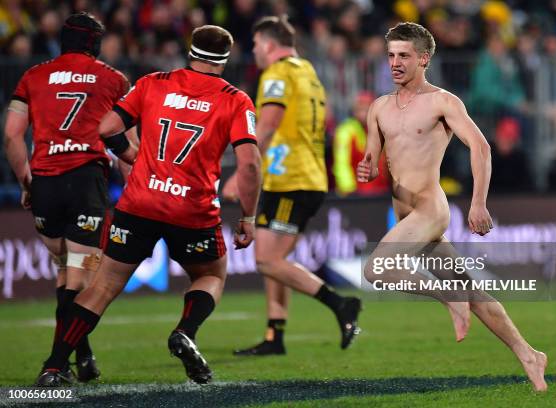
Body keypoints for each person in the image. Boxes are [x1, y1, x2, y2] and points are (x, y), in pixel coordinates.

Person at [35, 24, 262, 386]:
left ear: (191, 51)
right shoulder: (235, 99)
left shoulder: (153, 82)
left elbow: (107, 126)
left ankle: (53, 367)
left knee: (103, 285)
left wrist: (133, 155)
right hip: (191, 208)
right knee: (210, 275)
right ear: (225, 58)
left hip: (139, 202)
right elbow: (249, 163)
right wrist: (248, 217)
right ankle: (185, 331)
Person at [357, 22, 548, 392]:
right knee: (472, 290)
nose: (395, 63)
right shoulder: (378, 107)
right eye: (391, 55)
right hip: (404, 212)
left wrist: (478, 203)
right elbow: (372, 160)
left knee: (377, 269)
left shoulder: (443, 101)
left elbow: (481, 147)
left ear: (424, 59)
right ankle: (529, 354)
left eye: (404, 56)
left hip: (430, 208)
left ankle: (449, 298)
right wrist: (366, 168)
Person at [223, 15, 362, 356]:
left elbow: (267, 125)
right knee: (276, 259)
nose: (254, 50)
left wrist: (241, 171)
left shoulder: (277, 73)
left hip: (290, 181)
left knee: (267, 260)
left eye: (256, 44)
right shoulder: (309, 72)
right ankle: (275, 335)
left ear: (269, 45)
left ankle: (340, 304)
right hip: (307, 176)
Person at [4, 12, 130, 384]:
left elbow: (12, 136)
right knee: (80, 281)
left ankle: (84, 356)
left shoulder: (33, 76)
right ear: (95, 42)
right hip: (85, 180)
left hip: (44, 181)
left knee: (64, 272)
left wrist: (27, 182)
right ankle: (54, 366)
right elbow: (129, 145)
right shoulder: (113, 79)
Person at [333, 91, 389, 196]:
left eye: (367, 108)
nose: (363, 112)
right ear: (354, 111)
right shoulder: (345, 131)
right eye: (360, 108)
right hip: (357, 195)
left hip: (381, 193)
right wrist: (349, 192)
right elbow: (341, 165)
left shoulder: (382, 130)